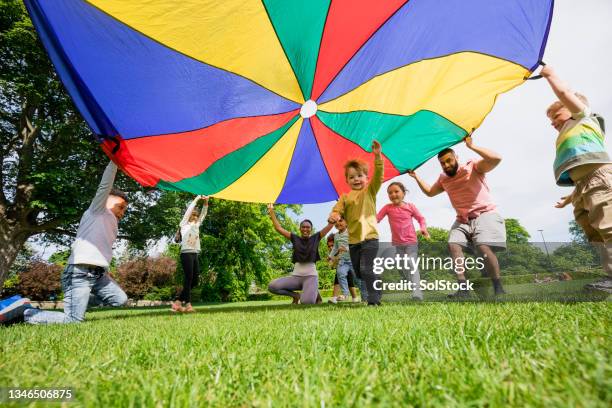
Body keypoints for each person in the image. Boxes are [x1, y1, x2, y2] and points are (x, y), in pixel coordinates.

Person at [23, 161, 129, 324]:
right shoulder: (97, 210)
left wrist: (105, 269)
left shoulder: (111, 222)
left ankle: (77, 301)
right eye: (120, 207)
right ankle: (27, 313)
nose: (122, 212)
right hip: (79, 272)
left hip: (98, 274)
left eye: (124, 210)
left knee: (120, 300)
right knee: (73, 320)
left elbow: (102, 248)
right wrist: (114, 162)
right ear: (106, 199)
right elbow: (104, 185)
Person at [541, 65, 612, 292]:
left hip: (600, 178)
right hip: (583, 187)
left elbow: (564, 94)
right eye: (551, 122)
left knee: (608, 226)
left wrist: (549, 75)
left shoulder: (584, 117)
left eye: (556, 116)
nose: (553, 123)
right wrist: (571, 197)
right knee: (594, 231)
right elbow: (580, 170)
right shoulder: (567, 131)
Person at [408, 137, 506, 297]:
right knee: (453, 245)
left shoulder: (472, 166)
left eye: (449, 161)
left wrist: (472, 146)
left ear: (456, 158)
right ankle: (463, 289)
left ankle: (498, 287)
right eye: (443, 163)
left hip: (485, 214)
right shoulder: (443, 179)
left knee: (483, 247)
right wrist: (416, 176)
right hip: (462, 220)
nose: (446, 165)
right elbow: (430, 193)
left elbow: (496, 159)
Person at [329, 140, 384, 305]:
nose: (356, 179)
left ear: (367, 178)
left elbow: (379, 175)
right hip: (353, 242)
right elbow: (337, 209)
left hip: (370, 238)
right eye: (352, 177)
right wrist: (334, 215)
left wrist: (377, 156)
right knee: (360, 273)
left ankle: (374, 300)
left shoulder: (370, 191)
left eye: (360, 176)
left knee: (367, 269)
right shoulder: (345, 197)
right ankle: (376, 282)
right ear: (347, 180)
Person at [267, 204, 335, 304]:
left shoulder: (316, 237)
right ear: (300, 228)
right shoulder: (294, 238)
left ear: (311, 229)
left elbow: (330, 226)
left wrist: (333, 216)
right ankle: (296, 296)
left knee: (306, 303)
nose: (305, 229)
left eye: (308, 227)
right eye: (303, 227)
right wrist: (271, 212)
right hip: (296, 277)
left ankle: (315, 292)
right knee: (272, 286)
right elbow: (278, 228)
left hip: (310, 277)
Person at [377, 182, 430, 300]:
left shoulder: (410, 207)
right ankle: (413, 286)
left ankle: (417, 292)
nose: (393, 194)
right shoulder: (387, 208)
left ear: (403, 193)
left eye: (396, 191)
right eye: (390, 193)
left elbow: (421, 218)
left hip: (411, 242)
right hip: (398, 244)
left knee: (412, 263)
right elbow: (377, 218)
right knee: (404, 266)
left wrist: (423, 228)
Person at [171, 195, 209, 313]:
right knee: (188, 278)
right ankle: (187, 304)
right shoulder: (184, 224)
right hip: (186, 254)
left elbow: (204, 214)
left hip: (194, 254)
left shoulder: (196, 225)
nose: (196, 217)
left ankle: (177, 301)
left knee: (195, 281)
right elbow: (188, 211)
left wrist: (206, 202)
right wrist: (197, 198)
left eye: (197, 216)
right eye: (194, 215)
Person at [328, 217, 362, 303]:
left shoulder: (350, 232)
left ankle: (365, 296)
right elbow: (335, 247)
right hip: (343, 261)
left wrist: (346, 248)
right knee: (340, 273)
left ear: (347, 223)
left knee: (358, 279)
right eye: (336, 221)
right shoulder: (336, 236)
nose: (338, 223)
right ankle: (345, 294)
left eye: (340, 221)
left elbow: (356, 244)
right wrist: (330, 256)